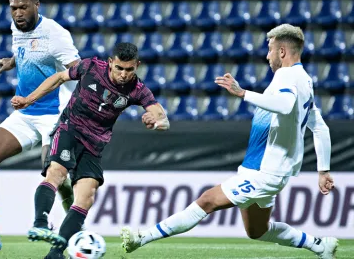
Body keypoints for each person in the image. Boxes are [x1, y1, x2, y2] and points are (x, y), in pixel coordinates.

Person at [120, 24, 338, 259]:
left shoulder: (286, 76)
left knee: (206, 201)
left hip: (265, 171)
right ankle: (320, 245)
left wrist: (243, 93)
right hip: (265, 168)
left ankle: (141, 237)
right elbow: (320, 126)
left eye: (270, 50)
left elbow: (285, 106)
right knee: (257, 230)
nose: (268, 56)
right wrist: (323, 169)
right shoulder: (304, 79)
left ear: (282, 51)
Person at [11, 42, 170, 258]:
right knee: (56, 173)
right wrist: (28, 100)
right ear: (110, 62)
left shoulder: (138, 90)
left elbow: (163, 119)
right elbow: (59, 78)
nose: (124, 74)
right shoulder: (90, 67)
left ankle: (56, 252)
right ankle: (40, 223)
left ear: (137, 66)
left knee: (86, 197)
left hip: (95, 143)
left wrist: (156, 121)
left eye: (129, 69)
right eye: (119, 68)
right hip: (70, 128)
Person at [0, 0, 81, 255]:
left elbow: (77, 71)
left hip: (55, 114)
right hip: (25, 114)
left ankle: (73, 235)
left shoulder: (55, 34)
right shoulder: (17, 28)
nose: (18, 13)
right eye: (14, 8)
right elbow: (27, 52)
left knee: (53, 173)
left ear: (37, 4)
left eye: (24, 7)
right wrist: (11, 62)